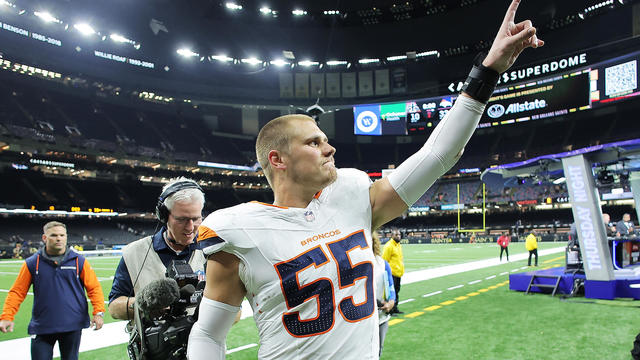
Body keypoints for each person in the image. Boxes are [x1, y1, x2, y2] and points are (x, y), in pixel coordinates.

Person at [188, 1, 544, 358]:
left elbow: (438, 156)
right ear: (277, 159)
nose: (330, 149)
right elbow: (208, 335)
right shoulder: (238, 230)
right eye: (314, 142)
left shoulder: (353, 195)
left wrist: (487, 71)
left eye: (326, 140)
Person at [108, 177, 209, 353]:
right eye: (182, 219)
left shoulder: (213, 252)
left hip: (204, 350)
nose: (191, 227)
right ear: (163, 216)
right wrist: (143, 304)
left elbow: (235, 313)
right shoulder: (134, 253)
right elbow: (114, 308)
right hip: (154, 352)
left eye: (196, 218)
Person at [0, 221, 105, 360]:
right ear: (44, 238)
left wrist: (98, 313)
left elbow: (94, 288)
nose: (59, 238)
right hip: (42, 326)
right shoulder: (32, 263)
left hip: (72, 325)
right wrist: (7, 316)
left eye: (62, 235)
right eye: (54, 235)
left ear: (66, 237)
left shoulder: (79, 261)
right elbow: (17, 292)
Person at [372, 232, 396, 357]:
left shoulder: (382, 264)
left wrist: (391, 301)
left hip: (381, 317)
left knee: (378, 351)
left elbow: (391, 287)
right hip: (363, 321)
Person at [382, 229, 405, 315]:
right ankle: (390, 310)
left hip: (398, 273)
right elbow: (384, 260)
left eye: (399, 234)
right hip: (392, 274)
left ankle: (395, 308)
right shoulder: (389, 246)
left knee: (397, 291)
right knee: (391, 293)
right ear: (392, 236)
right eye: (396, 235)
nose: (398, 236)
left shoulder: (398, 245)